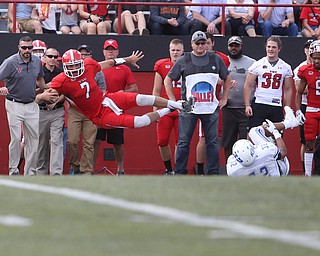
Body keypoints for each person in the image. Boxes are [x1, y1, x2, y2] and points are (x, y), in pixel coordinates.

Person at [49, 50, 194, 150]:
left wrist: (127, 60)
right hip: (99, 115)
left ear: (82, 62)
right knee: (139, 122)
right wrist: (40, 97)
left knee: (142, 98)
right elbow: (48, 90)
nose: (74, 69)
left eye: (76, 64)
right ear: (64, 66)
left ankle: (180, 105)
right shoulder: (61, 80)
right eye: (71, 66)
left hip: (106, 99)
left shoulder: (89, 65)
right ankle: (170, 109)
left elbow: (108, 63)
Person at [164, 31, 231, 175]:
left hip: (210, 108)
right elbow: (168, 79)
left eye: (203, 43)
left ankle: (213, 172)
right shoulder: (184, 60)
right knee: (183, 142)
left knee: (212, 142)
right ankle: (180, 172)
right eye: (197, 43)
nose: (200, 46)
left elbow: (227, 78)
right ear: (192, 44)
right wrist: (173, 102)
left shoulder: (216, 59)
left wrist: (224, 97)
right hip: (189, 109)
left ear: (207, 43)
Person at [0, 36, 56, 175]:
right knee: (16, 138)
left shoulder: (37, 61)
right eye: (24, 47)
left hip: (31, 104)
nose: (27, 50)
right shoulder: (10, 62)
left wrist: (45, 89)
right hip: (14, 103)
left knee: (33, 139)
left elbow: (39, 78)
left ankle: (30, 172)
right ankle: (13, 170)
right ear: (19, 47)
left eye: (29, 48)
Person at [93, 39, 137, 176]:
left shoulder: (125, 68)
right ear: (103, 52)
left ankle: (120, 170)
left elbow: (134, 88)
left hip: (116, 110)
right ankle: (90, 170)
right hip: (99, 110)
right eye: (108, 49)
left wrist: (123, 93)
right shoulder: (98, 67)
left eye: (113, 49)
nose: (110, 51)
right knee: (95, 141)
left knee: (118, 143)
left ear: (117, 51)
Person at [227, 107, 301, 176]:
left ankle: (286, 126)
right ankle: (289, 123)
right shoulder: (266, 151)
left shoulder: (233, 170)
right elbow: (283, 152)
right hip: (281, 168)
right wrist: (275, 132)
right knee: (254, 131)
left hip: (267, 181)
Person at [67, 44, 106, 175]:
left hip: (91, 110)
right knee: (72, 141)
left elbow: (103, 91)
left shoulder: (97, 72)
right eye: (81, 54)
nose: (83, 57)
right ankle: (74, 166)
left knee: (89, 143)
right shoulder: (69, 70)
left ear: (91, 56)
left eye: (86, 54)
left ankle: (86, 170)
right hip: (75, 110)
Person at [195, 32, 230, 175]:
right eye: (202, 43)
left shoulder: (221, 58)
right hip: (202, 101)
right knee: (203, 137)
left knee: (218, 137)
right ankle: (201, 170)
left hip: (217, 101)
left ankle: (215, 168)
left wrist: (225, 94)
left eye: (207, 43)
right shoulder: (195, 58)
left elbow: (226, 77)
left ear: (212, 43)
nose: (205, 46)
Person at [243, 36, 293, 131]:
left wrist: (287, 108)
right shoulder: (257, 64)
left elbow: (288, 89)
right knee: (254, 134)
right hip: (259, 103)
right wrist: (247, 105)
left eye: (273, 47)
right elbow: (248, 85)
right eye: (269, 46)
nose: (270, 49)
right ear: (265, 47)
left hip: (276, 105)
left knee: (276, 135)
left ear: (279, 49)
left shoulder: (285, 67)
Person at [152, 39, 184, 175]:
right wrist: (154, 110)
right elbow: (156, 90)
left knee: (180, 142)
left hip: (182, 108)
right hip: (165, 108)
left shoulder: (188, 64)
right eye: (173, 50)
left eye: (178, 50)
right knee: (162, 141)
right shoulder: (162, 65)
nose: (175, 53)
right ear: (169, 50)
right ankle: (169, 169)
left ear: (182, 51)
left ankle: (177, 169)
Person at [222, 36, 256, 161]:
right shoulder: (222, 61)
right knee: (227, 143)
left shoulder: (252, 63)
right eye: (231, 46)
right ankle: (229, 167)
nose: (234, 48)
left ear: (241, 46)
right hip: (228, 108)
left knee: (246, 142)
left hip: (245, 109)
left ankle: (245, 170)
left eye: (236, 45)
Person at [35, 48, 64, 176]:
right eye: (50, 56)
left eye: (55, 56)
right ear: (44, 57)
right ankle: (40, 172)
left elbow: (66, 92)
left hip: (57, 110)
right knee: (41, 143)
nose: (52, 59)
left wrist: (56, 101)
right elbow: (31, 92)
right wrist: (44, 91)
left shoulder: (61, 73)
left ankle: (56, 173)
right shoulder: (38, 72)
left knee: (57, 141)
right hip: (41, 110)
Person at [296, 39, 320, 176]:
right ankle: (307, 174)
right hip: (311, 109)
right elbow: (299, 92)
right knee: (309, 143)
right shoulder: (306, 71)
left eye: (319, 58)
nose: (316, 61)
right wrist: (299, 110)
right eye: (314, 58)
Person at [293, 39, 314, 175]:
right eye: (307, 48)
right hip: (307, 105)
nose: (309, 51)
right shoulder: (300, 68)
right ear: (305, 50)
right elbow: (300, 89)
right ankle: (306, 171)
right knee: (305, 141)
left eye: (311, 48)